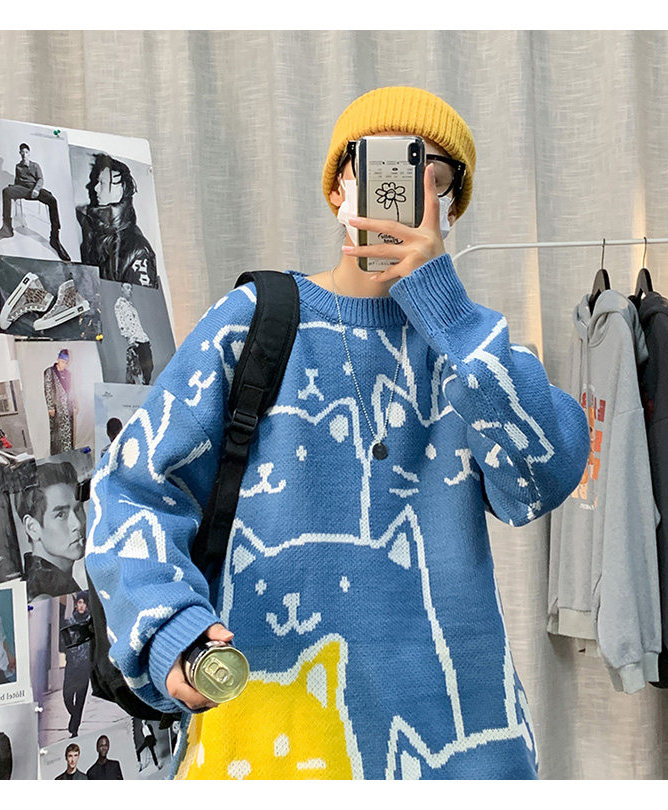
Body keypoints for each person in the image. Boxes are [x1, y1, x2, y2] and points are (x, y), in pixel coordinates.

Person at [85, 86, 590, 780]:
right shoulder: (253, 320)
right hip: (269, 744)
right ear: (338, 189)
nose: (404, 187)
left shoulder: (473, 350)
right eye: (381, 164)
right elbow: (130, 489)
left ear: (451, 206)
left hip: (461, 752)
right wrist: (173, 629)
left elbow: (543, 477)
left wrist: (447, 310)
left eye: (433, 173)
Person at [76, 152, 158, 288]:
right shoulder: (95, 231)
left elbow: (140, 299)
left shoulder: (138, 249)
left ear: (120, 190)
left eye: (102, 183)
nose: (96, 188)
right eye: (97, 182)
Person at [16, 459, 86, 600]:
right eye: (61, 515)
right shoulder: (43, 598)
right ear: (32, 528)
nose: (77, 524)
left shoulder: (58, 587)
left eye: (78, 509)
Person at [0, 143, 71, 261]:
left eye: (26, 152)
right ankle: (7, 229)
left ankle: (55, 237)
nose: (24, 154)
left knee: (52, 200)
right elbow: (18, 181)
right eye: (22, 152)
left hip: (34, 189)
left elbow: (40, 179)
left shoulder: (35, 166)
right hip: (23, 189)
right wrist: (13, 189)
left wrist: (36, 189)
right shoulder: (18, 166)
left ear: (29, 153)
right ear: (20, 153)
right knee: (6, 191)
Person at [59, 592, 91, 737]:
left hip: (85, 667)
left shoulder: (90, 623)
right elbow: (63, 642)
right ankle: (74, 717)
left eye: (84, 603)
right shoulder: (69, 622)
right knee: (67, 696)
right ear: (76, 604)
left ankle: (74, 730)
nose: (82, 605)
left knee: (80, 699)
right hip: (71, 666)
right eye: (79, 602)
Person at [114, 282, 154, 385]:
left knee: (149, 366)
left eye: (131, 289)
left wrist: (145, 337)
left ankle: (144, 385)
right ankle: (140, 387)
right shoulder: (119, 304)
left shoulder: (131, 306)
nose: (130, 291)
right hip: (135, 340)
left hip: (143, 338)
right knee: (139, 367)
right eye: (127, 288)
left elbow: (137, 324)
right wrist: (130, 339)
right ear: (122, 289)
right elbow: (121, 323)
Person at [44, 347, 78, 454]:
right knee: (56, 435)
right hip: (57, 409)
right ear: (58, 359)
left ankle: (68, 454)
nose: (64, 365)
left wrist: (74, 405)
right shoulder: (49, 372)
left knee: (69, 434)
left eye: (66, 362)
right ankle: (58, 456)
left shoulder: (68, 374)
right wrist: (50, 407)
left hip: (68, 408)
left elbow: (72, 390)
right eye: (63, 361)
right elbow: (48, 389)